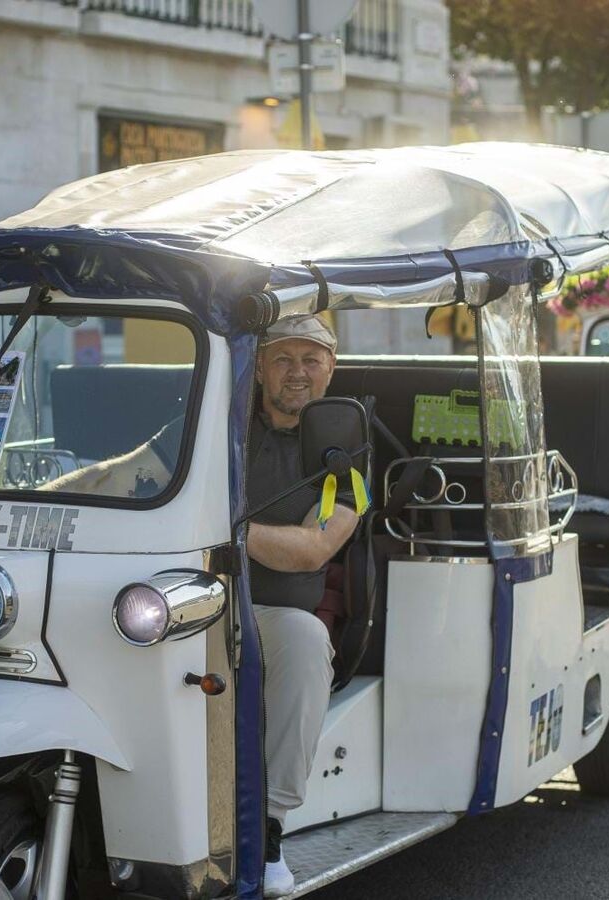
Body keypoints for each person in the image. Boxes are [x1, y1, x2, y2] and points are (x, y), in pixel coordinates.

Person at [245, 315, 359, 897]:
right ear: (259, 365)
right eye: (283, 359)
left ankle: (268, 825)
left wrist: (224, 534)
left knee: (307, 640)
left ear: (330, 369)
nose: (297, 373)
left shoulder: (348, 461)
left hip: (271, 616)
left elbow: (314, 548)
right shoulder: (220, 425)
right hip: (187, 596)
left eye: (311, 360)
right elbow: (141, 470)